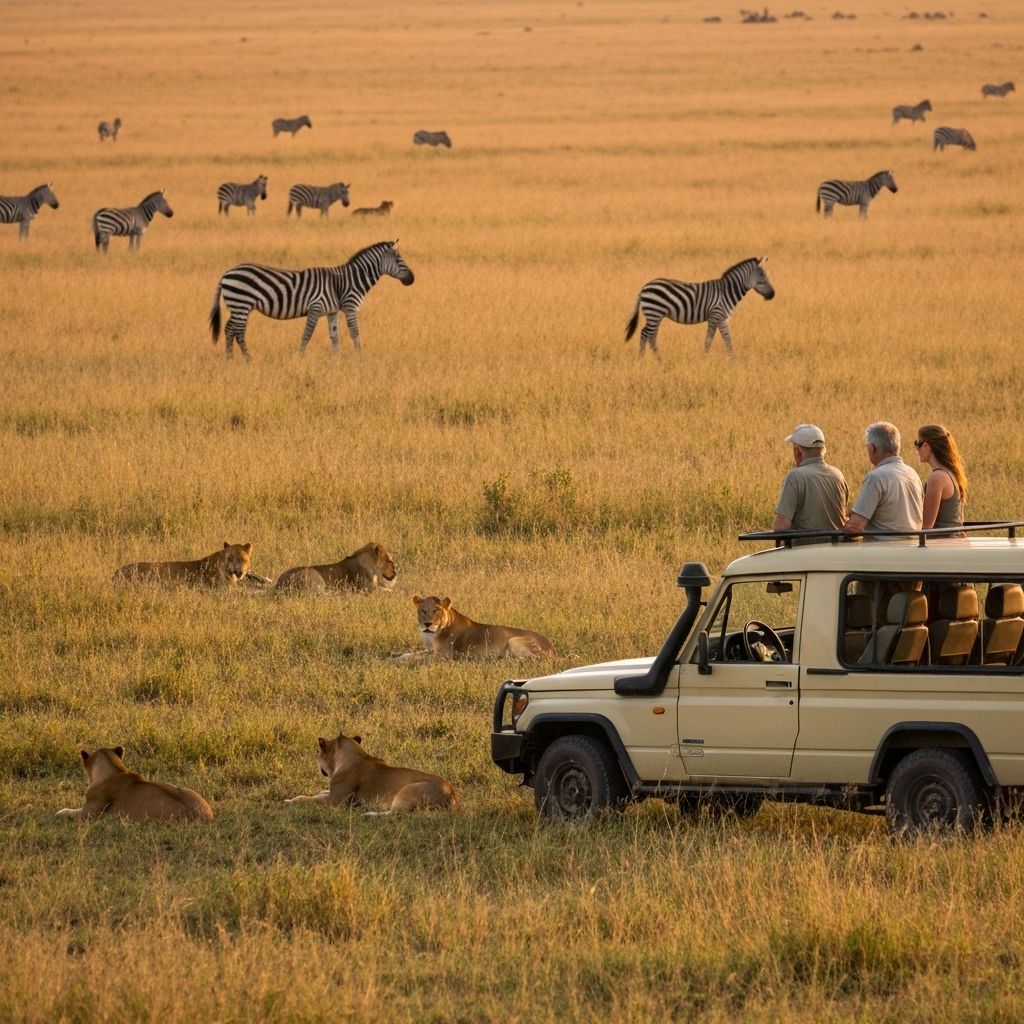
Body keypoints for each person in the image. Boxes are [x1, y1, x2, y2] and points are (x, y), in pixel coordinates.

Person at [844, 421, 923, 537]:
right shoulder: (913, 474)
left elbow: (854, 527)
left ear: (872, 448)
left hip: (883, 550)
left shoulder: (876, 477)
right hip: (914, 549)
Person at [772, 424, 849, 540]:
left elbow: (781, 526)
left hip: (804, 551)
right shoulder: (838, 475)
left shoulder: (795, 477)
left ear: (798, 453)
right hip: (836, 551)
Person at [914, 423, 967, 530]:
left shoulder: (937, 478)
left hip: (942, 542)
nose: (917, 449)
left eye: (917, 443)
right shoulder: (950, 473)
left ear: (926, 445)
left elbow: (926, 525)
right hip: (952, 541)